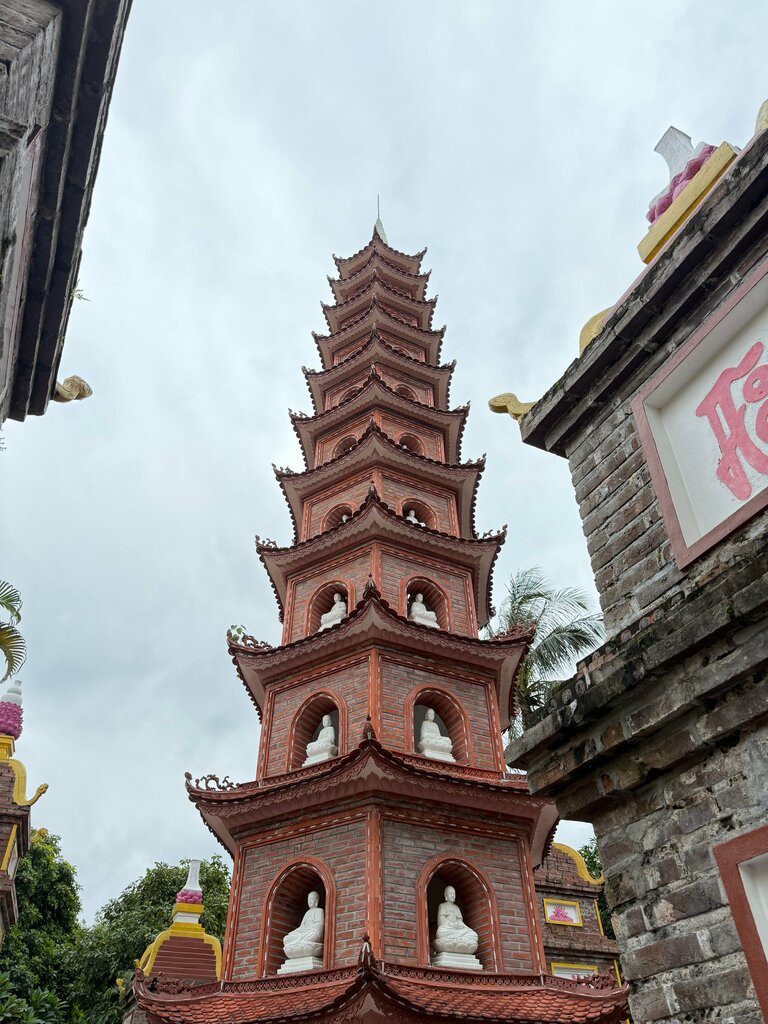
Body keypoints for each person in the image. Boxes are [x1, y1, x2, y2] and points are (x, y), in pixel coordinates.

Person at [434, 886, 478, 955]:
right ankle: (459, 940)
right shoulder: (442, 905)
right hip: (448, 929)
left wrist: (466, 928)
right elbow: (441, 919)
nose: (452, 895)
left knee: (474, 935)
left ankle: (458, 939)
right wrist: (451, 924)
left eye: (454, 894)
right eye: (450, 893)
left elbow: (460, 921)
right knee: (440, 932)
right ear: (446, 895)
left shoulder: (456, 907)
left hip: (457, 929)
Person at [283, 891, 325, 960]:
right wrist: (294, 932)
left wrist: (310, 929)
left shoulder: (319, 911)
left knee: (313, 934)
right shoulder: (307, 913)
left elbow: (320, 924)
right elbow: (302, 927)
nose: (309, 901)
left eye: (311, 899)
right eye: (308, 899)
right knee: (286, 938)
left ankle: (301, 942)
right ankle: (300, 942)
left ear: (316, 900)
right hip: (304, 933)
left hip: (312, 932)